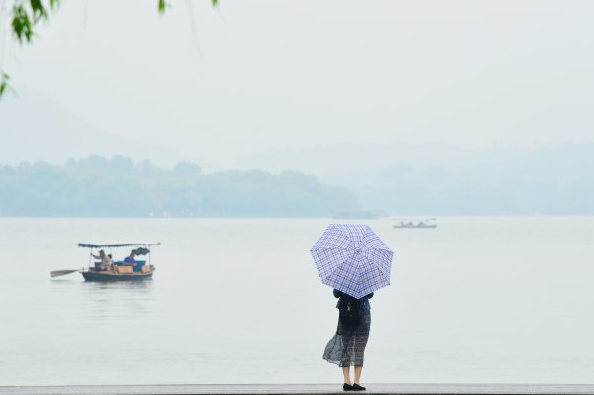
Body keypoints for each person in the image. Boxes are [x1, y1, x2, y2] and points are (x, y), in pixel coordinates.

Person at [323, 289, 374, 391]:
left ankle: (346, 381)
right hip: (363, 313)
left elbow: (336, 294)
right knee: (359, 348)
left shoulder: (343, 276)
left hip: (346, 312)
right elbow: (370, 295)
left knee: (346, 348)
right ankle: (356, 382)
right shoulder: (364, 275)